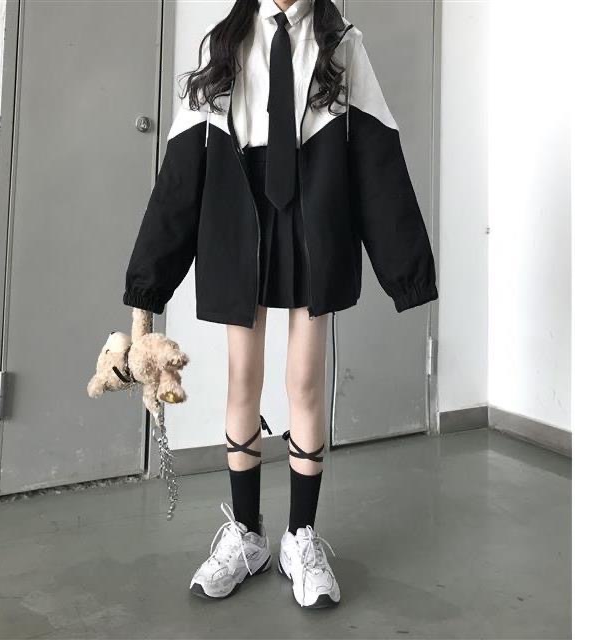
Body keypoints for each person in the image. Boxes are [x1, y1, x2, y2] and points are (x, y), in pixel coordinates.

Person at [123, 0, 438, 608]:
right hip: (238, 212)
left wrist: (407, 272)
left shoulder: (341, 42)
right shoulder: (223, 41)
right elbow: (183, 166)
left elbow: (377, 154)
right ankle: (246, 536)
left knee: (305, 381)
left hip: (314, 214)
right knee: (243, 377)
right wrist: (147, 286)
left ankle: (301, 537)